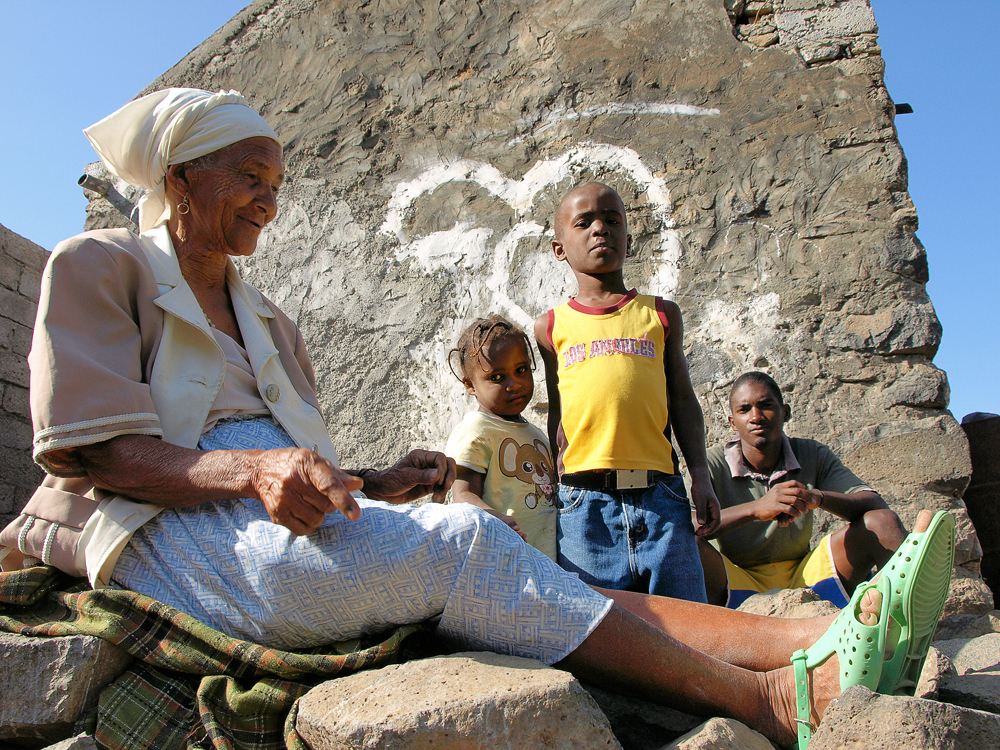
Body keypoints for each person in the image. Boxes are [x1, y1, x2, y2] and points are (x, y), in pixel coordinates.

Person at [0, 89, 952, 750]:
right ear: (179, 180)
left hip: (269, 514)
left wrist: (372, 479)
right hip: (164, 525)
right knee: (468, 549)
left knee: (514, 573)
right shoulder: (101, 266)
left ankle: (817, 640)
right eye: (249, 177)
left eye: (276, 182)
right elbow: (98, 451)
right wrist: (247, 474)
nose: (270, 202)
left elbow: (290, 466)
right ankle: (773, 700)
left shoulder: (267, 320)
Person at [534, 182, 720, 601]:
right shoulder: (551, 327)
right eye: (584, 223)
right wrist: (556, 486)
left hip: (662, 500)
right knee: (601, 632)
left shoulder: (660, 314)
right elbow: (557, 413)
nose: (600, 229)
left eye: (612, 220)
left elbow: (683, 400)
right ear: (559, 248)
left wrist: (701, 477)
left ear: (629, 240)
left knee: (685, 623)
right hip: (585, 506)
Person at [699, 371, 908, 608]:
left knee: (882, 522)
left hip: (807, 577)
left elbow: (874, 504)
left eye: (766, 406)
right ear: (732, 422)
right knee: (685, 545)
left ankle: (901, 626)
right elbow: (689, 525)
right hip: (737, 580)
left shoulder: (811, 454)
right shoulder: (711, 463)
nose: (756, 417)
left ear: (785, 412)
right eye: (744, 410)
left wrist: (815, 497)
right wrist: (757, 509)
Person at [445, 315, 558, 559]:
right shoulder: (476, 430)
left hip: (547, 562)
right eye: (497, 377)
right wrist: (497, 521)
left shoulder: (534, 433)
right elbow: (462, 496)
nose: (514, 384)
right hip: (506, 559)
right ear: (470, 385)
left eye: (521, 370)